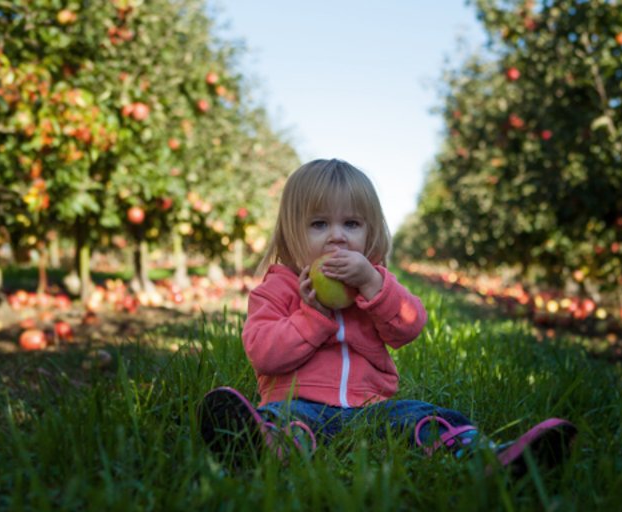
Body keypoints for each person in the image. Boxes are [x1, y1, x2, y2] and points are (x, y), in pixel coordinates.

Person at [198, 158, 576, 473]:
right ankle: (261, 445)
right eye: (319, 224)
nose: (337, 236)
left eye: (351, 224)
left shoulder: (374, 283)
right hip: (299, 402)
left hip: (371, 410)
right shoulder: (277, 289)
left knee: (425, 416)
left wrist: (373, 286)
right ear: (290, 232)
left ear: (370, 231)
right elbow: (264, 354)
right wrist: (312, 316)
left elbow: (410, 326)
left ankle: (489, 457)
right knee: (284, 420)